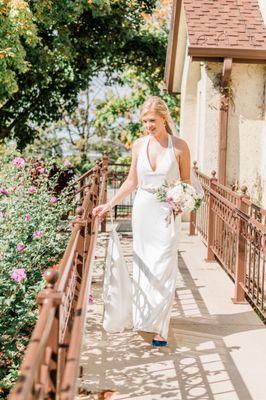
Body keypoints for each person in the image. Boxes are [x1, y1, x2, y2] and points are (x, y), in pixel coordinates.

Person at [92, 96, 190, 346]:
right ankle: (147, 318)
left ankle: (162, 328)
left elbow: (187, 184)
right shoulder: (138, 145)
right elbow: (131, 181)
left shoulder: (179, 147)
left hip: (167, 213)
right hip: (143, 210)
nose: (148, 126)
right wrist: (109, 204)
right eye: (145, 121)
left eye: (153, 121)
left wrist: (181, 202)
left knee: (164, 264)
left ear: (164, 118)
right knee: (144, 265)